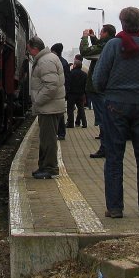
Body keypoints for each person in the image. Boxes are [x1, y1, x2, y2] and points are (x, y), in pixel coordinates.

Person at [93, 6, 139, 218]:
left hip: (115, 106)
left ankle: (115, 208)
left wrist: (111, 93)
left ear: (122, 23)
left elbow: (98, 80)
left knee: (114, 157)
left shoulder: (112, 46)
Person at [27, 36, 66, 179]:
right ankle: (44, 167)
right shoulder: (46, 59)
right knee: (45, 139)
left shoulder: (46, 61)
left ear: (35, 48)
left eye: (29, 50)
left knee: (48, 139)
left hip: (49, 107)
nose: (29, 53)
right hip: (49, 106)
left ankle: (50, 168)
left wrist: (37, 101)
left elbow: (51, 86)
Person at [81, 24, 117, 158]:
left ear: (106, 33)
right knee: (105, 118)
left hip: (99, 89)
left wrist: (85, 38)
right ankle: (107, 146)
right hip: (106, 88)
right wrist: (93, 37)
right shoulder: (111, 44)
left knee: (103, 119)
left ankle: (105, 148)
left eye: (101, 32)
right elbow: (99, 46)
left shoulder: (105, 47)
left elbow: (86, 52)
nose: (100, 34)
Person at [50, 43, 71, 140]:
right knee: (60, 113)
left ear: (55, 51)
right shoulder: (64, 62)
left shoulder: (57, 62)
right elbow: (68, 79)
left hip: (58, 91)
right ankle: (60, 133)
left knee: (57, 113)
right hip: (62, 91)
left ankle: (60, 133)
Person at [66, 55, 89, 128]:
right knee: (81, 109)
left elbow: (68, 83)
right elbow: (85, 85)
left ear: (75, 65)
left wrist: (67, 93)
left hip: (71, 94)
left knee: (70, 109)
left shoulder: (70, 73)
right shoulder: (84, 75)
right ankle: (84, 123)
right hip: (80, 94)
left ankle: (70, 124)